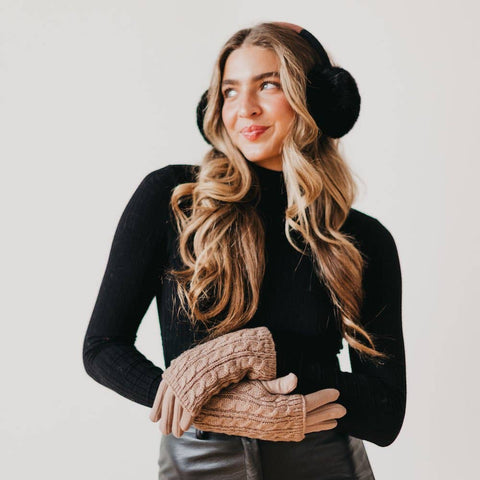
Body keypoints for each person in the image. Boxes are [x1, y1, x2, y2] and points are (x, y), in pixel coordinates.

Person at [82, 21, 406, 479]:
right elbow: (102, 348)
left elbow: (385, 413)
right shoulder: (173, 199)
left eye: (268, 85)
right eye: (230, 91)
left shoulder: (360, 238)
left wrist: (256, 351)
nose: (245, 108)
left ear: (316, 98)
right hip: (200, 465)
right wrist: (217, 407)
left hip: (326, 465)